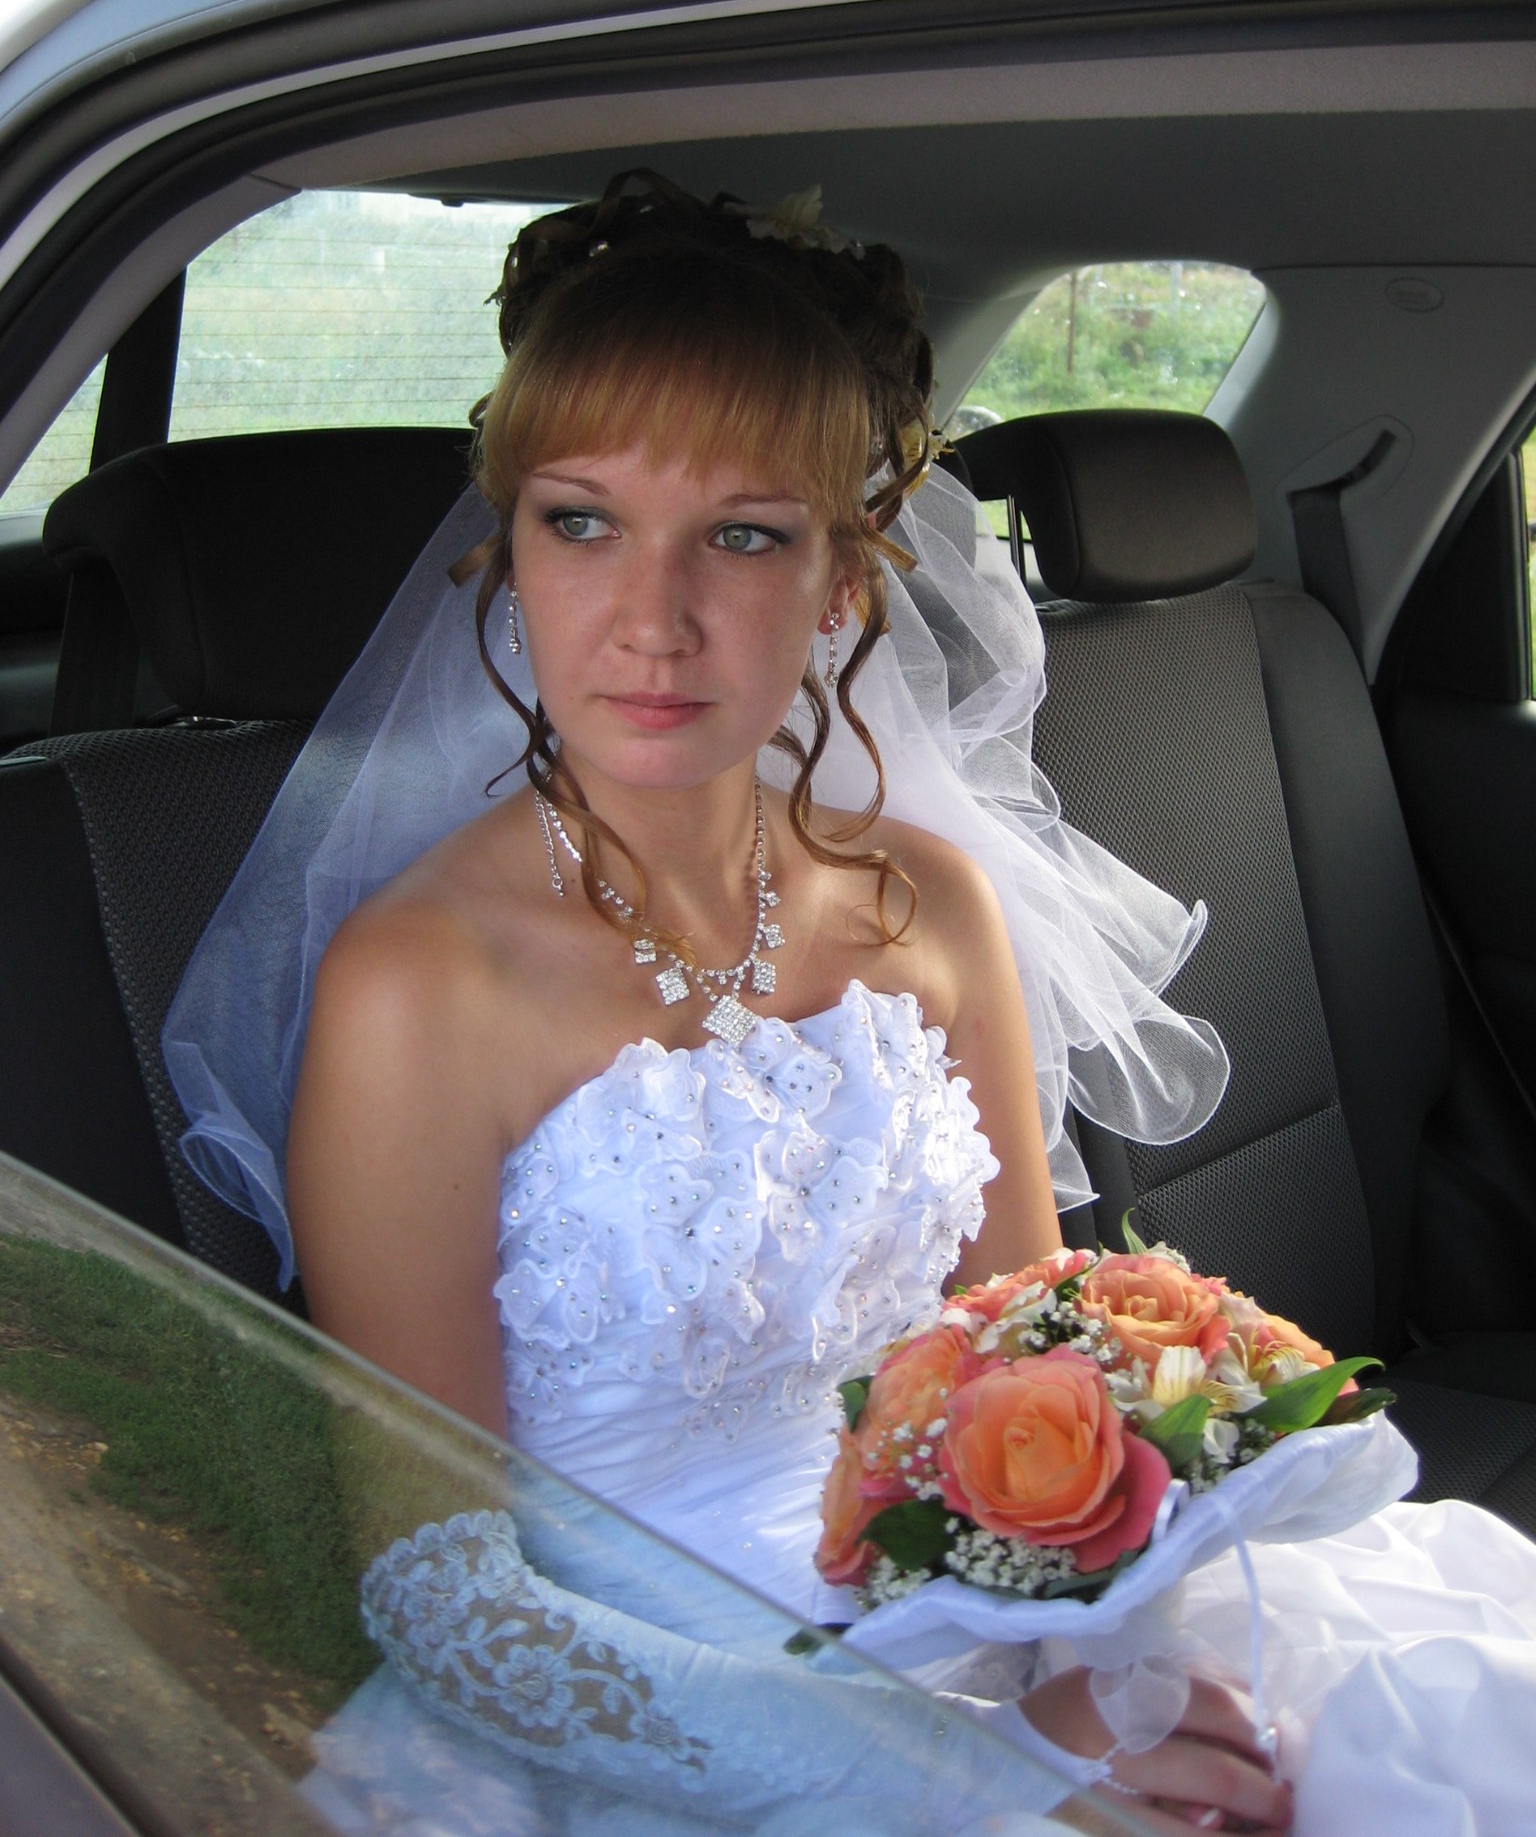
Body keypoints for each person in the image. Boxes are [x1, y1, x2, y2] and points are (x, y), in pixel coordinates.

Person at [164, 175, 1536, 1837]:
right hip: (647, 1714)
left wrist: (1096, 1672)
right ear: (508, 551)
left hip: (982, 1615)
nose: (652, 620)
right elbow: (449, 1594)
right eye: (581, 522)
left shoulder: (928, 903)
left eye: (743, 535)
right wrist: (980, 1779)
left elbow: (1028, 1360)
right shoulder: (420, 983)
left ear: (840, 582)